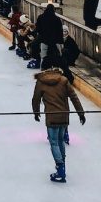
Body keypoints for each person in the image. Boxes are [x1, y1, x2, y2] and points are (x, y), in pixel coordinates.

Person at [32, 56, 86, 184]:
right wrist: (81, 113)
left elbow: (36, 99)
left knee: (54, 142)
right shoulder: (63, 80)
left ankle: (60, 170)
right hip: (64, 115)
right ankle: (63, 166)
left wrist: (36, 112)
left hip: (51, 117)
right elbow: (74, 97)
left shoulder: (40, 81)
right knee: (61, 140)